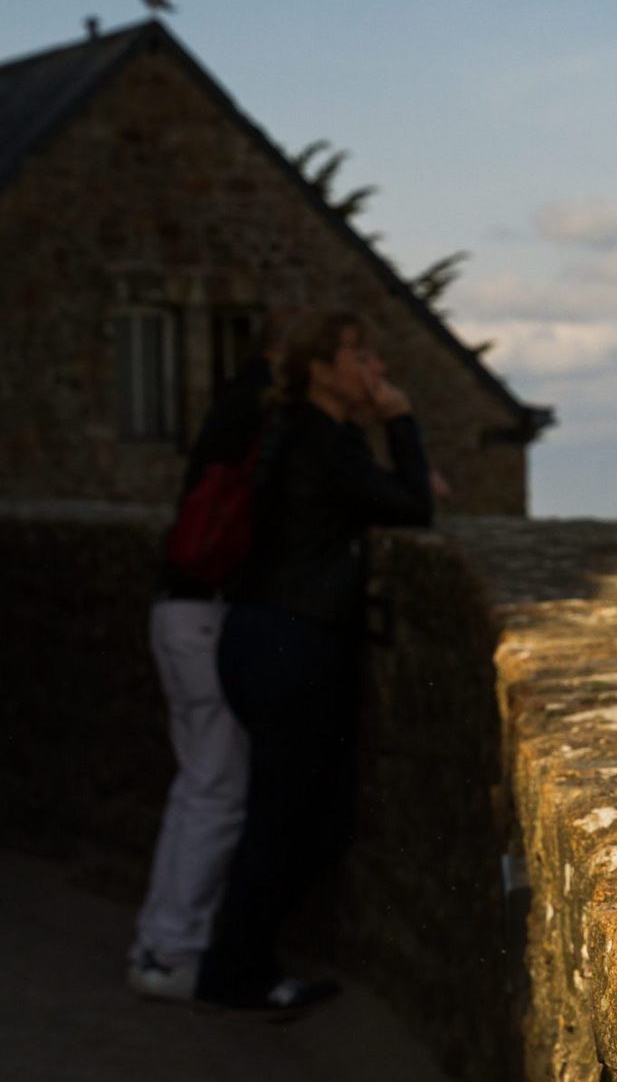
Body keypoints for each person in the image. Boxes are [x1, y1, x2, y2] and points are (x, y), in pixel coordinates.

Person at [194, 311, 434, 1013]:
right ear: (322, 370)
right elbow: (414, 506)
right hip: (290, 643)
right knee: (286, 817)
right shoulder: (320, 442)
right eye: (362, 358)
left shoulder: (305, 436)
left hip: (266, 635)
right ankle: (237, 973)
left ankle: (241, 964)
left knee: (295, 814)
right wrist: (403, 421)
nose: (377, 373)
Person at [127, 318, 284, 1001]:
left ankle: (159, 943)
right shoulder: (258, 416)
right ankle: (168, 951)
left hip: (177, 611)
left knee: (197, 788)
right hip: (202, 616)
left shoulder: (230, 408)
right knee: (216, 790)